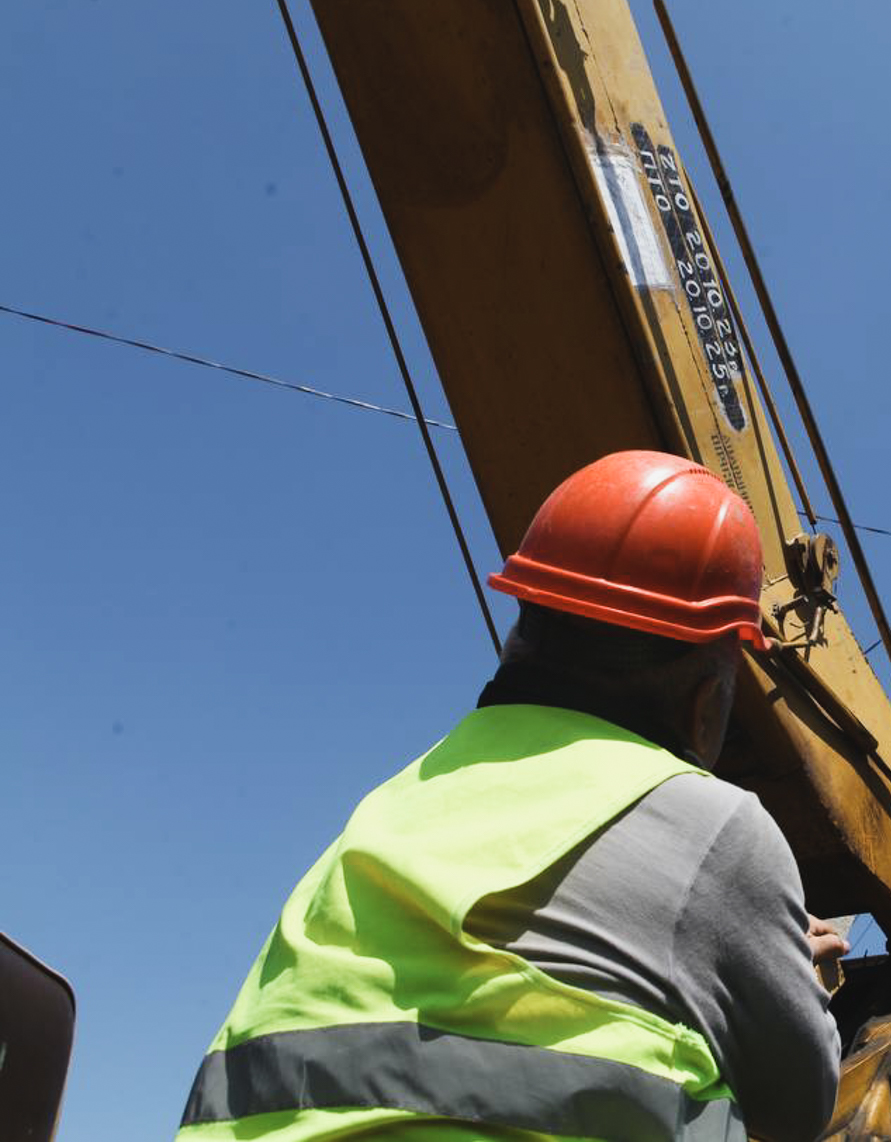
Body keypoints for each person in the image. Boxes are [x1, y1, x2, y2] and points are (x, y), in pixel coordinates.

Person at [176, 451, 847, 1142]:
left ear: (521, 633)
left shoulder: (393, 803)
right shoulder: (718, 824)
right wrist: (801, 980)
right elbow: (798, 1107)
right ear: (708, 699)